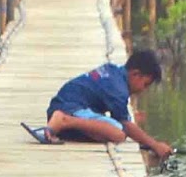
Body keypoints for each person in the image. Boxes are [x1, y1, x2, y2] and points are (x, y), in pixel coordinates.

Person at [24, 49, 173, 158]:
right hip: (71, 108)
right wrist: (155, 145)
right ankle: (65, 120)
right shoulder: (118, 90)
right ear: (135, 74)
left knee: (107, 131)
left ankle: (58, 126)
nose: (143, 90)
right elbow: (126, 126)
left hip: (62, 104)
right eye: (145, 84)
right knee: (118, 133)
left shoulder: (113, 71)